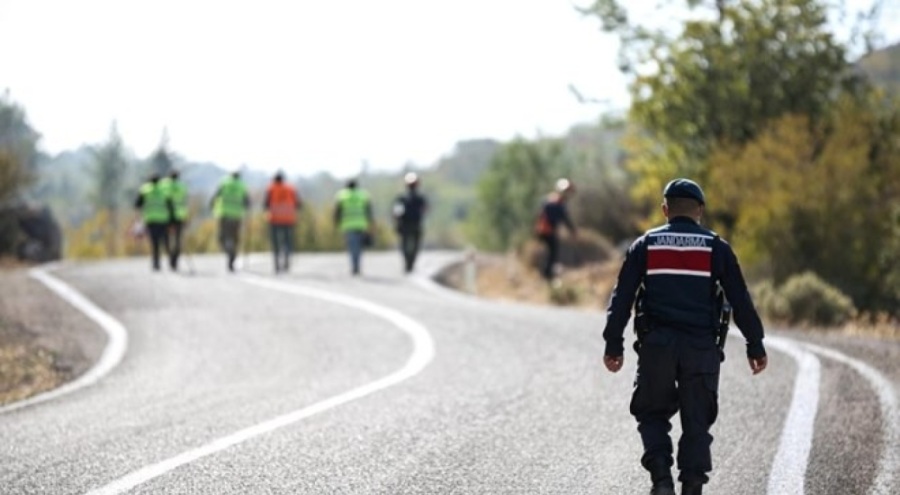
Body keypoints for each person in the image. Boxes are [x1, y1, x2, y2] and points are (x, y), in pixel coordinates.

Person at [602, 178, 768, 495]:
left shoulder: (645, 245)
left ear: (665, 210)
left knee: (651, 413)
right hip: (701, 349)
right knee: (697, 421)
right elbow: (740, 299)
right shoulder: (717, 248)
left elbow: (622, 298)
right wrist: (755, 344)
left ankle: (661, 479)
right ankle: (692, 486)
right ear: (700, 210)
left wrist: (614, 343)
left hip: (656, 347)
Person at [534, 178, 577, 280]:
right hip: (547, 230)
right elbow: (564, 218)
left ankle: (546, 273)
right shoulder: (557, 203)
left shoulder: (549, 199)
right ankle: (547, 275)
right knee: (553, 252)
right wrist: (572, 230)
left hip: (542, 229)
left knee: (550, 251)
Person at [210, 170, 250, 272]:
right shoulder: (242, 185)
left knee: (222, 237)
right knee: (235, 236)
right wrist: (247, 210)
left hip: (224, 214)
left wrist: (211, 205)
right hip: (237, 215)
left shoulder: (224, 183)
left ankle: (229, 251)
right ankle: (233, 254)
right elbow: (246, 201)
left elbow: (216, 195)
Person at [133, 173, 174, 272]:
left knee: (154, 242)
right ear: (159, 181)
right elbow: (170, 206)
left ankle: (156, 263)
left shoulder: (145, 190)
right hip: (163, 219)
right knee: (166, 241)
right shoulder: (164, 191)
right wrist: (172, 220)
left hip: (150, 219)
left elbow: (137, 204)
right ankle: (171, 261)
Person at [333, 178, 373, 276]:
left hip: (348, 224)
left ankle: (354, 267)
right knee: (359, 247)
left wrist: (336, 222)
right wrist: (370, 223)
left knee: (352, 247)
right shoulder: (363, 195)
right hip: (361, 224)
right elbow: (368, 210)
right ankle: (357, 266)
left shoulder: (342, 196)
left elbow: (338, 211)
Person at [264, 171, 301, 273]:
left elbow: (266, 204)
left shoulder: (271, 188)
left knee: (275, 242)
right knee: (287, 241)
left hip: (274, 219)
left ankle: (276, 263)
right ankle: (286, 257)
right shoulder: (291, 189)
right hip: (288, 219)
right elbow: (298, 204)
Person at [392, 172, 428, 273]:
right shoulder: (403, 198)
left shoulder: (417, 198)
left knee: (413, 246)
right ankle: (409, 262)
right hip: (408, 224)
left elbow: (425, 209)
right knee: (408, 246)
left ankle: (410, 263)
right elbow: (397, 212)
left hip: (412, 224)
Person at [159, 169, 188, 271]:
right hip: (179, 217)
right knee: (177, 240)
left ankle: (170, 257)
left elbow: (165, 200)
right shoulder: (182, 186)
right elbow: (184, 202)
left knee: (167, 239)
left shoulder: (163, 185)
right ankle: (175, 259)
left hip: (166, 217)